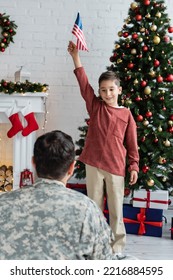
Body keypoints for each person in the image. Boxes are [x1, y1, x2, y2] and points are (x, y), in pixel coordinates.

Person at [0, 130, 136, 260]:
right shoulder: (87, 209)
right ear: (72, 168)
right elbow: (103, 262)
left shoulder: (3, 202)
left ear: (33, 163)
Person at [68, 41, 139, 256]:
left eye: (111, 89)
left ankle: (116, 249)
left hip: (116, 167)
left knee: (117, 211)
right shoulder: (95, 106)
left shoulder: (126, 114)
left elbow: (132, 144)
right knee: (94, 208)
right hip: (94, 164)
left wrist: (134, 166)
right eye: (103, 90)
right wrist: (75, 57)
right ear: (99, 92)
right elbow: (83, 84)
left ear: (119, 89)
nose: (107, 94)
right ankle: (94, 246)